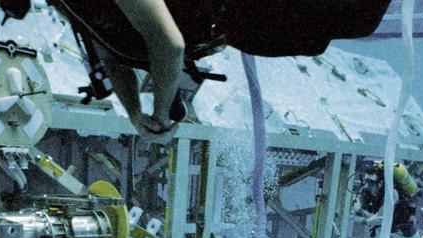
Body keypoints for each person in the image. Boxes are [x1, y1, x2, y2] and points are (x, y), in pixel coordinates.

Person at [42, 0, 393, 137]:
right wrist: (135, 112)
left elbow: (169, 45)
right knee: (347, 25)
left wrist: (160, 110)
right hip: (242, 28)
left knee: (359, 19)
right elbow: (108, 54)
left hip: (251, 15)